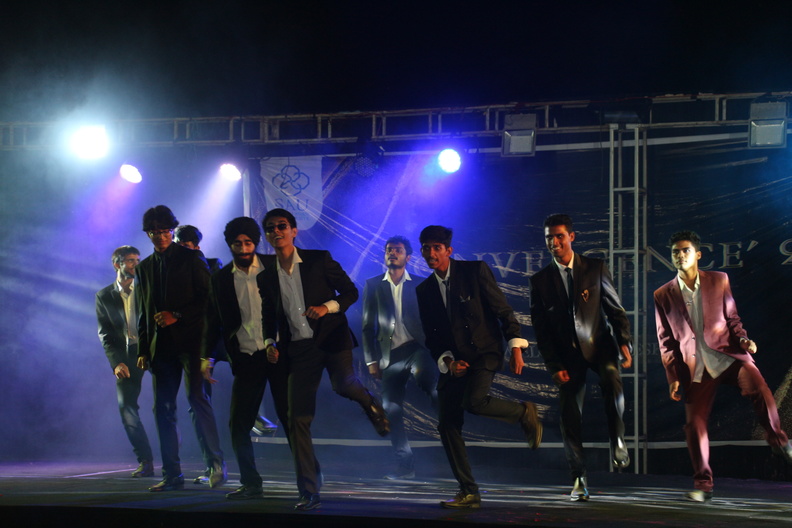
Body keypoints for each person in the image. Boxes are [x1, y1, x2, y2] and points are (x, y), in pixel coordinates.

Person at [257, 208, 389, 511]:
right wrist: (268, 342)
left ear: (294, 231)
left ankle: (370, 402)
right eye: (270, 228)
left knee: (344, 385)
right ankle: (309, 489)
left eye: (281, 226)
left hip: (331, 338)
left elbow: (351, 292)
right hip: (299, 349)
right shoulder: (265, 276)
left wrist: (326, 307)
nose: (276, 232)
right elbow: (268, 314)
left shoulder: (318, 259)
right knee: (297, 419)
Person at [654, 230, 792, 502]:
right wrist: (673, 375)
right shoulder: (662, 294)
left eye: (685, 250)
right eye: (675, 252)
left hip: (727, 355)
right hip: (695, 366)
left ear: (697, 254)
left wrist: (743, 339)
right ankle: (703, 485)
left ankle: (778, 441)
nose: (680, 255)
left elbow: (732, 318)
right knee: (694, 425)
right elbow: (665, 341)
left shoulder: (719, 280)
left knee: (761, 389)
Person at [415, 225, 542, 510]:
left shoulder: (474, 271)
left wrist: (516, 346)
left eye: (437, 247)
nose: (431, 253)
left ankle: (524, 412)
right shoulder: (424, 290)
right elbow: (432, 336)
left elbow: (502, 310)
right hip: (455, 362)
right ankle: (469, 491)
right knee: (447, 425)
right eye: (426, 248)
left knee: (473, 401)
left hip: (484, 352)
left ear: (449, 250)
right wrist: (449, 362)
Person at [529, 213, 632, 502]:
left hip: (600, 346)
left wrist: (624, 343)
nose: (554, 242)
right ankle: (578, 477)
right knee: (569, 416)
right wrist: (554, 366)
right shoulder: (539, 281)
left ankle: (618, 438)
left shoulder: (595, 268)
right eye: (549, 237)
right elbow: (541, 331)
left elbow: (615, 310)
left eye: (559, 236)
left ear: (571, 237)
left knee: (612, 379)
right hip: (566, 357)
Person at [201, 216, 298, 500]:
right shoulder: (220, 278)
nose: (243, 248)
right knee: (238, 425)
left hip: (279, 354)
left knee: (292, 420)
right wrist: (206, 358)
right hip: (246, 356)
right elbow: (212, 320)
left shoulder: (274, 265)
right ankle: (251, 483)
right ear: (230, 244)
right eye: (237, 243)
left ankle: (309, 477)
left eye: (248, 243)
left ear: (255, 243)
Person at [135, 205, 227, 492]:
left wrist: (177, 314)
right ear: (148, 234)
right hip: (161, 348)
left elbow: (210, 300)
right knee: (162, 409)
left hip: (192, 343)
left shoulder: (191, 257)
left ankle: (216, 465)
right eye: (155, 232)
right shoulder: (144, 267)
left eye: (165, 231)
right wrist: (143, 349)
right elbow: (143, 310)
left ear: (172, 231)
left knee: (198, 400)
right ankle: (172, 474)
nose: (161, 236)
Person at [362, 235, 438, 480]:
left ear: (408, 257)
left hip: (418, 348)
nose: (392, 253)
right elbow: (367, 326)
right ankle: (406, 466)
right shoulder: (374, 284)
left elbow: (434, 321)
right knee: (390, 409)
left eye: (397, 250)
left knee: (432, 388)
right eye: (389, 250)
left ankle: (452, 436)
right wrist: (371, 361)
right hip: (390, 355)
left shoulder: (421, 284)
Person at [95, 245, 154, 478]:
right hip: (127, 356)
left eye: (138, 260)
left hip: (152, 350)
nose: (135, 265)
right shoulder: (104, 296)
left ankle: (177, 459)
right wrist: (116, 363)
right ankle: (145, 461)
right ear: (116, 264)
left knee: (165, 405)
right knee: (126, 407)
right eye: (130, 261)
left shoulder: (146, 289)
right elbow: (106, 334)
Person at [175, 223, 226, 484]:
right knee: (194, 404)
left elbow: (210, 308)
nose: (181, 250)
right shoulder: (166, 267)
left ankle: (216, 465)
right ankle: (211, 466)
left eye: (186, 246)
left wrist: (209, 353)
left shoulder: (210, 265)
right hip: (175, 345)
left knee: (198, 400)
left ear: (196, 246)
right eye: (179, 245)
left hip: (201, 346)